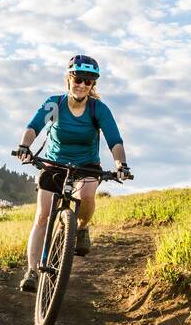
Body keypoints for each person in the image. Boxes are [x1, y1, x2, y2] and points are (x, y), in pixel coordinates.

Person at [14, 54, 133, 292]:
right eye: (78, 78)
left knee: (87, 195)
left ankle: (80, 228)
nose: (82, 84)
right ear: (68, 79)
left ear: (93, 85)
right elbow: (34, 126)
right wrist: (25, 147)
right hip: (54, 164)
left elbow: (114, 141)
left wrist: (121, 164)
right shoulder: (55, 104)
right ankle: (31, 271)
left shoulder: (97, 109)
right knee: (42, 216)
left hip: (86, 165)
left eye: (88, 81)